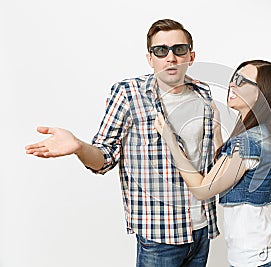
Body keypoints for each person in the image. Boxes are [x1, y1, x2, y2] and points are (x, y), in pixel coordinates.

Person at [25, 19, 219, 267]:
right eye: (161, 50)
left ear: (191, 56)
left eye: (178, 49)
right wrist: (80, 147)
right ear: (150, 58)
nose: (170, 57)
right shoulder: (129, 94)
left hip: (202, 227)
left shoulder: (203, 93)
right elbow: (104, 158)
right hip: (160, 235)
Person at [155, 60, 271, 267]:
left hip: (257, 262)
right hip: (259, 258)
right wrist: (218, 129)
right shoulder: (260, 135)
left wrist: (171, 142)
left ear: (263, 94)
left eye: (242, 81)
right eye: (234, 78)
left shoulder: (249, 142)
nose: (232, 84)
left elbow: (203, 189)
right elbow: (225, 173)